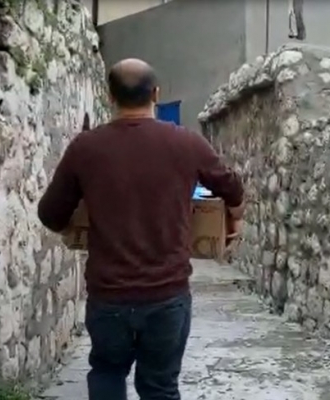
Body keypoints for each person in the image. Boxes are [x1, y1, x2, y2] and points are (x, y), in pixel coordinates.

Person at [37, 59, 245, 400]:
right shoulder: (186, 143)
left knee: (107, 376)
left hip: (108, 297)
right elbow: (232, 189)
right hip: (167, 296)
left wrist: (75, 225)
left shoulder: (85, 148)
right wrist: (235, 218)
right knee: (160, 388)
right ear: (156, 94)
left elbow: (50, 214)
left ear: (110, 97)